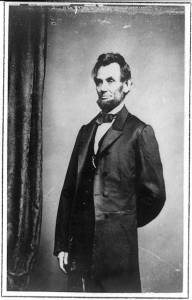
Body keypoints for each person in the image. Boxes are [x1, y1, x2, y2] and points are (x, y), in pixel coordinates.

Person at [54, 52, 166, 293]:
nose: (103, 87)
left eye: (110, 80)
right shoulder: (85, 131)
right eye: (99, 81)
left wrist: (120, 223)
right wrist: (62, 244)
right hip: (79, 251)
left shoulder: (140, 131)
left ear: (127, 85)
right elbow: (68, 191)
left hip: (118, 254)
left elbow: (155, 196)